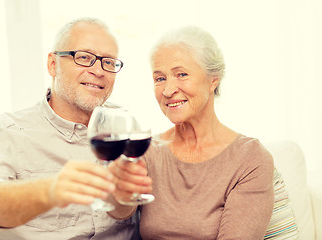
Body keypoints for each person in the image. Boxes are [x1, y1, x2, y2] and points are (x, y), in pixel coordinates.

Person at [0, 17, 151, 240]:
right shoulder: (6, 131)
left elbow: (125, 211)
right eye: (84, 57)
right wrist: (49, 191)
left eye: (108, 62)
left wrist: (120, 196)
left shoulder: (125, 126)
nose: (98, 70)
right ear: (53, 64)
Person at [110, 26, 275, 239]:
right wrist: (121, 191)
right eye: (160, 79)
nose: (168, 90)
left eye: (181, 74)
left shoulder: (250, 159)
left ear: (213, 79)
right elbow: (120, 213)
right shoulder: (149, 150)